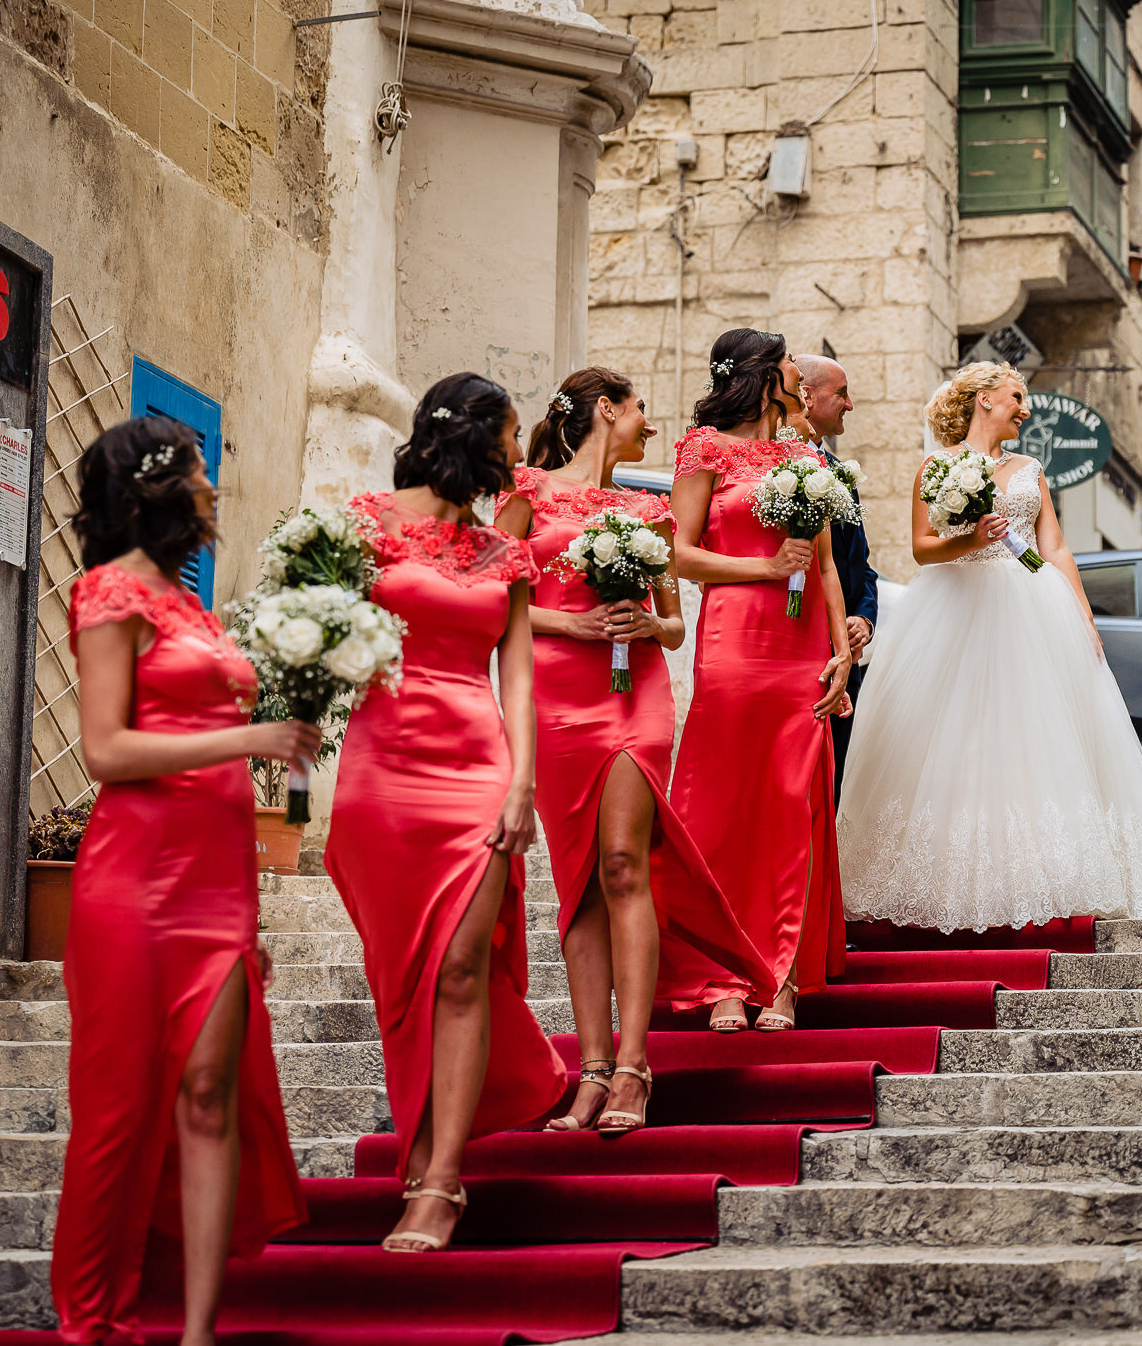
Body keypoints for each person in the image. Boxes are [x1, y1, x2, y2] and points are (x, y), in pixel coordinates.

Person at [836, 362, 1142, 931]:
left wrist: (1080, 616)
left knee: (1030, 737)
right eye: (1017, 397)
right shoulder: (936, 466)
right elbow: (923, 549)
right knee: (955, 740)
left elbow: (1054, 549)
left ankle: (1039, 872)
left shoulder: (1031, 469)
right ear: (983, 400)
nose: (1025, 409)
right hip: (951, 612)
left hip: (1028, 605)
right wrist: (971, 537)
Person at [55, 417, 317, 1346]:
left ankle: (198, 1333)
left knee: (210, 1097)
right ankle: (94, 1321)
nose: (215, 483)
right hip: (132, 886)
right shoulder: (110, 591)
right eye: (203, 468)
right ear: (158, 484)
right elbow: (106, 749)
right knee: (119, 1109)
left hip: (217, 891)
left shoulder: (195, 609)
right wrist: (252, 739)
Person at [495, 366, 775, 1131]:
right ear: (604, 409)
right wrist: (570, 625)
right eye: (640, 407)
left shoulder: (647, 511)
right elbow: (493, 602)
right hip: (554, 697)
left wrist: (652, 627)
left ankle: (632, 1066)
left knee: (622, 861)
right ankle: (589, 1070)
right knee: (579, 879)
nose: (650, 421)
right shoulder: (528, 492)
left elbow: (676, 623)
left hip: (635, 695)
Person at [325, 374, 566, 1252]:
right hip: (381, 768)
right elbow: (320, 632)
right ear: (468, 436)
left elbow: (520, 673)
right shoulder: (360, 523)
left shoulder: (507, 552)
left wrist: (522, 783)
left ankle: (440, 1180)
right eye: (508, 437)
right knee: (405, 980)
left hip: (477, 766)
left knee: (463, 965)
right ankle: (422, 1143)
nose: (517, 455)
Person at [670, 328, 856, 1032]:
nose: (798, 380)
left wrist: (840, 650)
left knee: (787, 809)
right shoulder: (702, 448)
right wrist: (764, 569)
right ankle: (720, 976)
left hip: (800, 647)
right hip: (733, 645)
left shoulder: (805, 456)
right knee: (721, 809)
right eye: (787, 368)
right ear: (759, 376)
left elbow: (828, 565)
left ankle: (778, 977)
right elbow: (680, 555)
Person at [792, 353, 879, 793]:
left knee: (834, 784)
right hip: (794, 647)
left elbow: (862, 567)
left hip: (845, 655)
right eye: (841, 393)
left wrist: (864, 618)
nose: (850, 405)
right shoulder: (769, 469)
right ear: (805, 395)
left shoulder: (842, 474)